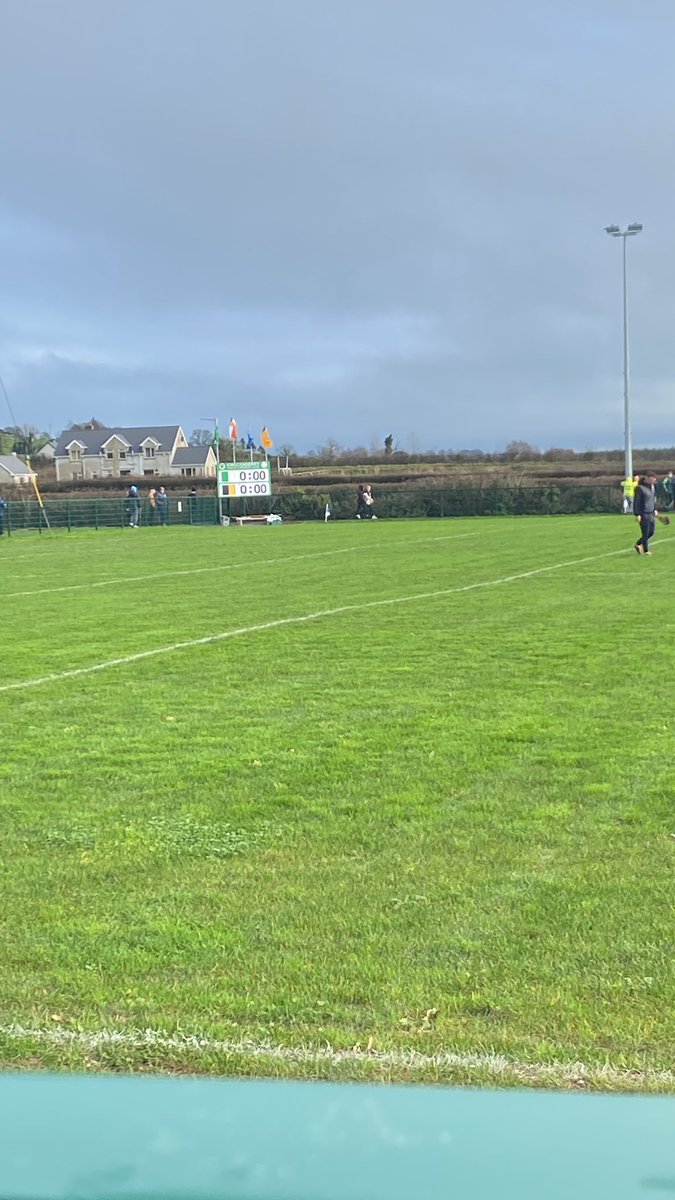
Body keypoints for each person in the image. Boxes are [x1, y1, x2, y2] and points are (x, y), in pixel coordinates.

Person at [633, 472, 659, 556]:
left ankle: (638, 543)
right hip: (643, 513)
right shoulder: (639, 488)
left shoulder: (652, 487)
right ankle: (646, 550)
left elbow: (652, 499)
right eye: (652, 479)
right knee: (645, 532)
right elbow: (637, 502)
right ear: (647, 478)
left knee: (651, 532)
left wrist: (655, 509)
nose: (653, 481)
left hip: (651, 513)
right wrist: (637, 514)